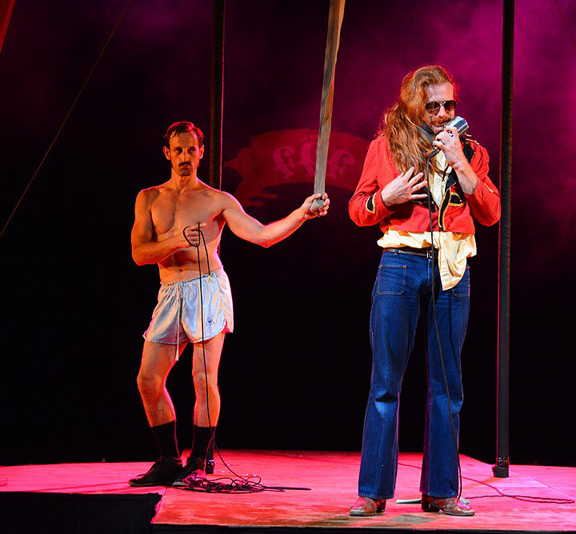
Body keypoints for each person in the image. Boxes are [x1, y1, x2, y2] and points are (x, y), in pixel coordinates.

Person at [128, 121, 329, 487]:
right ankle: (169, 460)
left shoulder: (217, 201)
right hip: (170, 290)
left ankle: (199, 459)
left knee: (203, 377)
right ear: (167, 153)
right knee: (148, 379)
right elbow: (140, 254)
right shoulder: (149, 198)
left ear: (201, 153)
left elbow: (263, 235)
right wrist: (177, 240)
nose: (185, 157)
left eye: (191, 150)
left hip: (207, 288)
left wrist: (301, 213)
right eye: (178, 150)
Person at [347, 66, 501, 516]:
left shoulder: (472, 152)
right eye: (432, 106)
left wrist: (460, 163)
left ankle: (442, 490)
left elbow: (491, 212)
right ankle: (373, 491)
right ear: (414, 106)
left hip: (452, 269)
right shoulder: (386, 147)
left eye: (448, 104)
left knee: (447, 385)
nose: (442, 114)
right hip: (401, 264)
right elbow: (358, 209)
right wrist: (385, 199)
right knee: (385, 383)